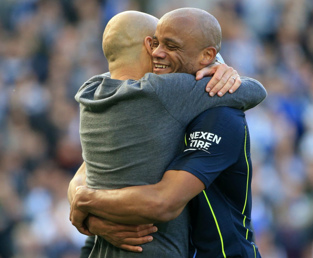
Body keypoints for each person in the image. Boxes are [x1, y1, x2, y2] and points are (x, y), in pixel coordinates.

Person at [70, 8, 266, 258]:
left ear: (208, 55)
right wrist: (90, 214)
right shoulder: (152, 101)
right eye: (156, 42)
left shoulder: (220, 116)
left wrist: (87, 201)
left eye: (170, 45)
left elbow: (163, 202)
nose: (157, 52)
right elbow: (90, 170)